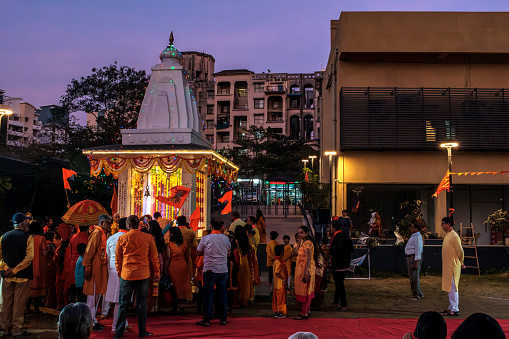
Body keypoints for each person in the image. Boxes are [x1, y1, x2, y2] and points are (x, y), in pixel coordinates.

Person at [115, 215, 160, 338]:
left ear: (128, 225)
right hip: (143, 274)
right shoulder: (148, 238)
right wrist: (157, 272)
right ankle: (142, 331)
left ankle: (118, 333)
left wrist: (119, 272)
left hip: (127, 274)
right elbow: (154, 257)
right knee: (141, 304)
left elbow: (118, 258)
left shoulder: (122, 238)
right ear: (139, 225)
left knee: (123, 304)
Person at [0, 213, 34, 337]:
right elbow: (29, 257)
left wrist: (6, 268)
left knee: (7, 302)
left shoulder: (4, 236)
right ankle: (16, 329)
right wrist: (14, 270)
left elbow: (0, 257)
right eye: (27, 222)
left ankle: (6, 329)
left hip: (6, 276)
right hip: (22, 276)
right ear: (23, 223)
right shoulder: (28, 237)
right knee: (19, 304)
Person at [196, 218, 231, 327]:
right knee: (223, 295)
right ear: (221, 227)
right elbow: (228, 253)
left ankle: (207, 320)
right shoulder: (226, 239)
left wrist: (207, 253)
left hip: (209, 269)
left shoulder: (206, 238)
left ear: (211, 227)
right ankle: (223, 319)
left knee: (208, 295)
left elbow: (198, 252)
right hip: (222, 269)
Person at [83, 215, 112, 331]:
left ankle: (93, 320)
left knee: (96, 297)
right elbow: (89, 252)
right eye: (109, 223)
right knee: (92, 298)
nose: (110, 225)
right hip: (94, 270)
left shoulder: (102, 233)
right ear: (102, 223)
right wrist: (88, 268)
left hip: (98, 269)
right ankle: (89, 323)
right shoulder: (97, 233)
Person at [105, 217, 128, 332]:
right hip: (125, 270)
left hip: (112, 269)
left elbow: (108, 255)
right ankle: (116, 326)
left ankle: (122, 323)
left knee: (118, 299)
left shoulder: (111, 238)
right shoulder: (128, 237)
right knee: (120, 299)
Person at [441, 217, 465, 316]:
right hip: (448, 266)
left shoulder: (454, 236)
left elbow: (460, 251)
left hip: (452, 266)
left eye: (443, 223)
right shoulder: (448, 235)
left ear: (448, 224)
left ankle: (455, 309)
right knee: (449, 287)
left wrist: (462, 262)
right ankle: (451, 306)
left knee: (453, 287)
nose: (441, 225)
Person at [165, 227, 192, 313]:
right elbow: (187, 256)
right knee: (182, 285)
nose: (169, 234)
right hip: (183, 265)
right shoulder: (184, 244)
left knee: (174, 285)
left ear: (172, 234)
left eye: (170, 233)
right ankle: (181, 305)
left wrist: (165, 269)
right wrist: (185, 265)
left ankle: (174, 306)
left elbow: (168, 258)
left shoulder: (169, 244)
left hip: (173, 266)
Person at [329, 221, 354, 310]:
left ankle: (343, 304)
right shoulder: (346, 237)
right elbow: (351, 249)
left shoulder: (335, 238)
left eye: (331, 227)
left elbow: (332, 251)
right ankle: (336, 302)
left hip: (338, 265)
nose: (330, 229)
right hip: (346, 264)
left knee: (339, 284)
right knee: (339, 283)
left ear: (334, 228)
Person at [293, 226, 317, 320]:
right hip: (301, 270)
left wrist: (306, 272)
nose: (299, 234)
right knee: (306, 290)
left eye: (301, 232)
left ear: (307, 233)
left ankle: (304, 313)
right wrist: (299, 242)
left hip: (306, 270)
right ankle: (307, 310)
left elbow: (308, 259)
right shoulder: (302, 243)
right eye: (299, 232)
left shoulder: (307, 243)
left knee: (306, 291)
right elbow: (295, 252)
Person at [26, 221, 48, 314]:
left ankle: (27, 308)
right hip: (39, 265)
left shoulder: (27, 238)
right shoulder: (41, 238)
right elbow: (45, 252)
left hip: (29, 264)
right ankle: (36, 308)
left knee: (28, 286)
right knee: (39, 285)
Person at [146, 220, 165, 313]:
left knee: (149, 283)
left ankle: (149, 306)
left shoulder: (149, 237)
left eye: (148, 226)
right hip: (159, 259)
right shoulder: (160, 237)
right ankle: (155, 306)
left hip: (151, 260)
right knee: (156, 282)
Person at [69, 225, 89, 304]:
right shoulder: (87, 238)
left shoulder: (73, 237)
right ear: (87, 228)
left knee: (72, 285)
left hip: (73, 261)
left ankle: (71, 302)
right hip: (84, 261)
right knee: (82, 289)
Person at [233, 226, 252, 307]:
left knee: (238, 281)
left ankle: (237, 300)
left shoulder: (235, 241)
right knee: (245, 282)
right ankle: (244, 300)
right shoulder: (247, 241)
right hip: (246, 263)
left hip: (238, 262)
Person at [54, 224, 72, 311]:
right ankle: (65, 305)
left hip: (59, 272)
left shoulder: (59, 249)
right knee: (65, 291)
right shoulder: (70, 249)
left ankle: (60, 305)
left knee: (59, 290)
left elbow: (55, 260)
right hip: (67, 273)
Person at [405, 221, 424, 300]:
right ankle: (419, 293)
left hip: (413, 258)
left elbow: (418, 250)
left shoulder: (417, 237)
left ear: (416, 228)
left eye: (412, 227)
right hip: (411, 257)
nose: (411, 228)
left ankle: (416, 295)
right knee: (413, 276)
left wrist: (416, 262)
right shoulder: (414, 236)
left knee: (414, 277)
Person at [177, 215, 198, 284]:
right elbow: (195, 245)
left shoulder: (175, 231)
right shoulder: (191, 232)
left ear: (178, 222)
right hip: (188, 255)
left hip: (176, 256)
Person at [272, 245, 288, 318]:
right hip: (279, 283)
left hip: (277, 283)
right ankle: (279, 311)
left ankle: (278, 311)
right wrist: (283, 279)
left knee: (278, 298)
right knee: (280, 299)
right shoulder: (279, 261)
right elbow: (276, 272)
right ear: (282, 253)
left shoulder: (276, 260)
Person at [44, 231, 58, 308]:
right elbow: (55, 254)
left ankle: (44, 300)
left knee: (46, 283)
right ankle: (50, 302)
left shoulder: (44, 243)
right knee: (51, 284)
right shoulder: (51, 244)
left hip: (44, 264)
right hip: (51, 265)